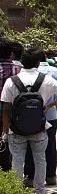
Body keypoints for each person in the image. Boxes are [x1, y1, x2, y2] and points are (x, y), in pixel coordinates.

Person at [1, 47, 57, 194]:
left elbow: (5, 108)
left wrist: (6, 129)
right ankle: (40, 191)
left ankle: (17, 193)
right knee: (40, 159)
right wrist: (49, 105)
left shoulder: (11, 82)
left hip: (16, 128)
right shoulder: (46, 79)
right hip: (39, 127)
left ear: (21, 63)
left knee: (17, 160)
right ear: (38, 63)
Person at [23, 54, 57, 188]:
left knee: (30, 147)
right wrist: (53, 103)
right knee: (50, 146)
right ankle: (50, 177)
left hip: (29, 116)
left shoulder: (23, 75)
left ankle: (30, 177)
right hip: (50, 115)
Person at [0, 39, 22, 174]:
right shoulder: (20, 70)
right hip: (15, 113)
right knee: (15, 144)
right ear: (11, 54)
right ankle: (11, 171)